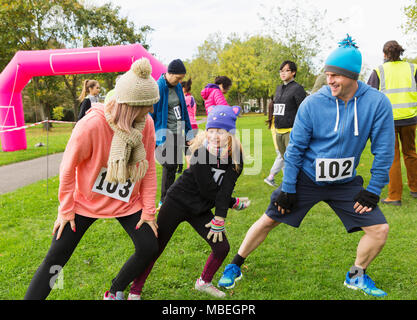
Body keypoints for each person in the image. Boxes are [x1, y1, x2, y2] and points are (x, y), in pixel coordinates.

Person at [218, 35, 395, 298]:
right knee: (268, 220)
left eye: (336, 75)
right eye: (327, 74)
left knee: (380, 230)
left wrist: (373, 189)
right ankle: (235, 264)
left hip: (345, 183)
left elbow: (384, 150)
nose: (330, 80)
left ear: (353, 76)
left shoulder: (377, 103)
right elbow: (296, 149)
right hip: (307, 178)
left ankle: (356, 275)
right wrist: (288, 188)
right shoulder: (313, 103)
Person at [24, 58, 160, 300]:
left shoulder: (146, 124)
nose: (150, 111)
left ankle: (115, 289)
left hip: (126, 201)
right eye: (146, 106)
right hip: (85, 202)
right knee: (56, 257)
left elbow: (148, 169)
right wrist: (66, 210)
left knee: (149, 246)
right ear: (129, 105)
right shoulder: (91, 124)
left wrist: (149, 211)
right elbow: (67, 168)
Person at [127, 105, 251, 300]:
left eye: (221, 131)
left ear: (230, 134)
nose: (215, 136)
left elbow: (225, 188)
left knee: (222, 247)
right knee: (156, 246)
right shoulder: (199, 153)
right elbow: (209, 189)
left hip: (200, 208)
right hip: (177, 201)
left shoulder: (236, 157)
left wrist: (220, 218)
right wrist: (231, 203)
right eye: (211, 130)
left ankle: (204, 282)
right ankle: (135, 290)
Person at [367, 40, 417, 206]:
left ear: (384, 54)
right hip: (410, 118)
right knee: (411, 153)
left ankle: (394, 196)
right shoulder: (413, 68)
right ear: (400, 53)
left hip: (388, 120)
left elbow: (370, 96)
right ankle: (415, 189)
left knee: (393, 156)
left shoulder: (379, 71)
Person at [151, 59, 194, 209]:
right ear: (169, 73)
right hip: (162, 135)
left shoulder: (177, 88)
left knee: (174, 167)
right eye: (178, 78)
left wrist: (189, 133)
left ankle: (170, 197)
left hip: (177, 133)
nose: (180, 81)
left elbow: (184, 113)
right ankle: (164, 200)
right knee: (169, 165)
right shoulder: (158, 87)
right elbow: (151, 115)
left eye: (182, 78)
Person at [272, 60, 307, 160]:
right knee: (285, 160)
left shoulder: (298, 88)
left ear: (293, 72)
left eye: (286, 70)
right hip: (278, 131)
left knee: (293, 160)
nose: (283, 73)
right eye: (281, 71)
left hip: (291, 131)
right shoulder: (278, 88)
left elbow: (303, 111)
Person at [264, 97, 284, 187]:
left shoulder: (272, 118)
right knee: (281, 158)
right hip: (280, 143)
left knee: (284, 160)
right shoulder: (277, 118)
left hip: (278, 143)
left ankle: (286, 180)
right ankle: (270, 177)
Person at [182, 78, 199, 169]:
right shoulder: (192, 98)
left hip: (189, 127)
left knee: (187, 149)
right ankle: (193, 168)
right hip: (194, 125)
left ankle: (190, 168)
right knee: (192, 148)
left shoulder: (185, 98)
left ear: (184, 89)